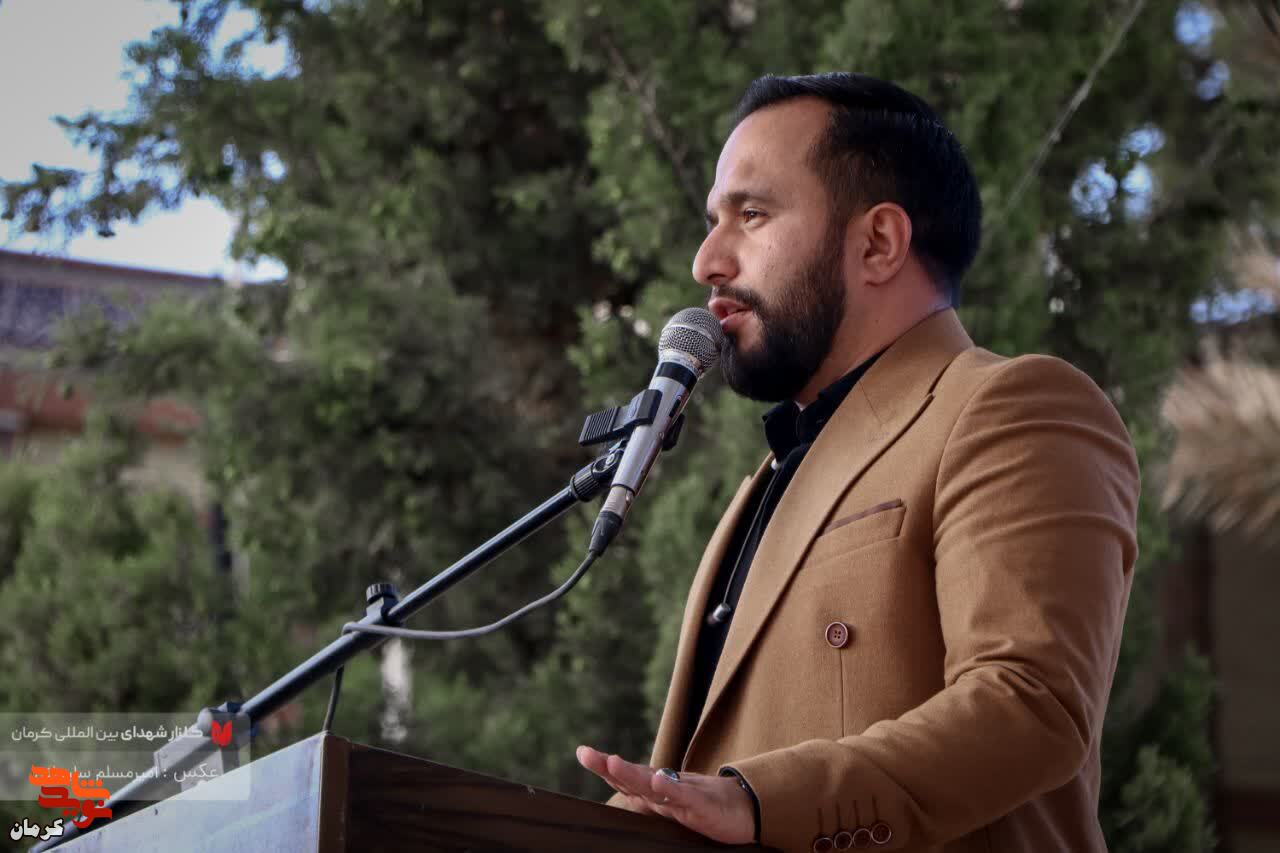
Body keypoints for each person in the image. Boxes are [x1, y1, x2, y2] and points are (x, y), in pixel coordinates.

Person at [575, 72, 1139, 853]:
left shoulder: (1011, 405)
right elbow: (695, 784)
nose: (708, 260)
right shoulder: (769, 479)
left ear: (878, 243)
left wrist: (761, 800)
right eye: (713, 221)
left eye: (752, 214)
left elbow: (1030, 704)